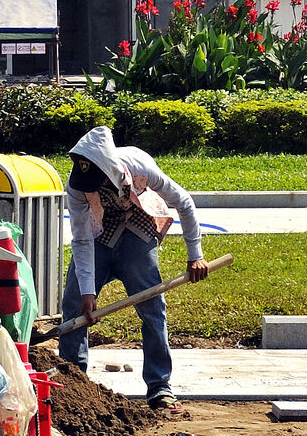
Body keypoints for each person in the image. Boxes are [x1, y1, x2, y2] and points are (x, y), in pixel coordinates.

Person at [58, 125, 212, 410]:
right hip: (98, 232)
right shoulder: (77, 183)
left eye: (99, 181)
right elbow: (80, 239)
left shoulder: (140, 166)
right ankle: (71, 383)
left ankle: (160, 387)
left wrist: (195, 255)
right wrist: (88, 292)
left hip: (137, 228)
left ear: (110, 170)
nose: (93, 186)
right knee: (74, 304)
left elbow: (185, 203)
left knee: (152, 308)